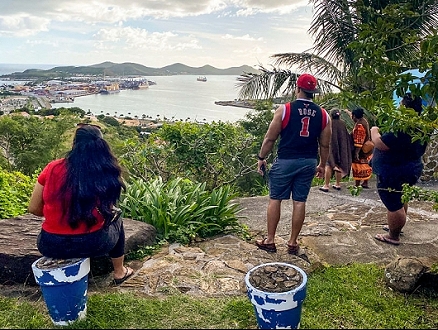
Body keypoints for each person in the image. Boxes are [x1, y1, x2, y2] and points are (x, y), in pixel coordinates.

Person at [28, 123, 133, 285]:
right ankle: (119, 272)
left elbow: (33, 208)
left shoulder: (52, 168)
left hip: (51, 244)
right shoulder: (105, 170)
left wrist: (56, 213)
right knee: (117, 218)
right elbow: (108, 208)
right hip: (93, 244)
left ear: (74, 144)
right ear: (101, 146)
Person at [255, 73, 331, 254]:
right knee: (299, 201)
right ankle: (293, 242)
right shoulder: (323, 115)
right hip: (308, 161)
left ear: (297, 89)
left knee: (275, 199)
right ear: (314, 92)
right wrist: (321, 164)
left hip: (286, 160)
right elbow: (325, 144)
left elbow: (270, 138)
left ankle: (270, 240)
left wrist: (261, 158)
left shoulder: (285, 110)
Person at [371, 93, 427, 245]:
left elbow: (380, 143)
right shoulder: (422, 125)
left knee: (394, 203)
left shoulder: (404, 127)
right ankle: (396, 227)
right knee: (401, 197)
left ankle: (393, 235)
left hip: (394, 170)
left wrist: (374, 130)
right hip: (411, 168)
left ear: (405, 107)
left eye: (401, 104)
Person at [319, 108, 353, 192]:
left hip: (330, 147)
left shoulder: (329, 123)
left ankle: (326, 185)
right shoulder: (342, 124)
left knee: (328, 165)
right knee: (338, 165)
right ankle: (338, 184)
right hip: (341, 147)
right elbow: (346, 136)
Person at [350, 107, 373, 188]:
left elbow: (359, 140)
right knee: (365, 164)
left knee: (358, 165)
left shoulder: (359, 125)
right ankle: (365, 182)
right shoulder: (364, 121)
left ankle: (357, 184)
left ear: (354, 116)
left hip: (361, 149)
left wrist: (356, 152)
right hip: (366, 148)